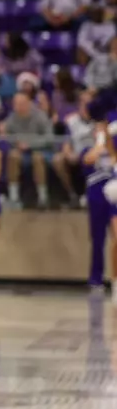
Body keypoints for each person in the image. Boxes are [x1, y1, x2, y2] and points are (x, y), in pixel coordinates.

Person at [80, 122, 116, 293]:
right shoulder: (88, 147)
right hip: (96, 195)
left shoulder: (113, 148)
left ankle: (114, 278)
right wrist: (99, 144)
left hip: (114, 195)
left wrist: (108, 143)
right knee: (98, 238)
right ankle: (96, 277)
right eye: (98, 130)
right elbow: (88, 159)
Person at [2, 89, 53, 208]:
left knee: (37, 158)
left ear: (29, 103)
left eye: (21, 104)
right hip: (20, 151)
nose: (18, 107)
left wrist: (30, 144)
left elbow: (49, 138)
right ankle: (14, 198)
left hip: (41, 150)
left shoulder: (40, 116)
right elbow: (8, 136)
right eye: (16, 104)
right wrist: (15, 142)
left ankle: (43, 197)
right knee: (12, 156)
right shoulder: (12, 117)